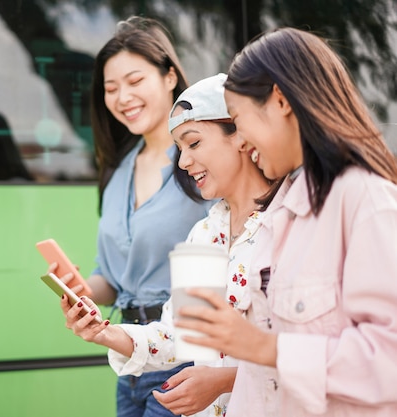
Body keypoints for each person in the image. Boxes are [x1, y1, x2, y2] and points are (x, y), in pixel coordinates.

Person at [173, 27, 397, 416]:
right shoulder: (284, 211)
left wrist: (263, 348)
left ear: (279, 101)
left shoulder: (365, 199)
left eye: (239, 120)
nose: (240, 141)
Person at [60, 73, 272, 417]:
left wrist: (222, 382)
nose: (183, 163)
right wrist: (105, 333)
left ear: (240, 135)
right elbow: (178, 335)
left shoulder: (290, 225)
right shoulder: (204, 234)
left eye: (194, 143)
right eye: (180, 149)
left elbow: (314, 356)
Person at [49, 16, 212, 417]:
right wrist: (83, 290)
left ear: (170, 76)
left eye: (135, 81)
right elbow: (114, 278)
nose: (123, 96)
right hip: (131, 360)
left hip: (188, 357)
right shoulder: (117, 171)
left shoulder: (202, 160)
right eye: (111, 88)